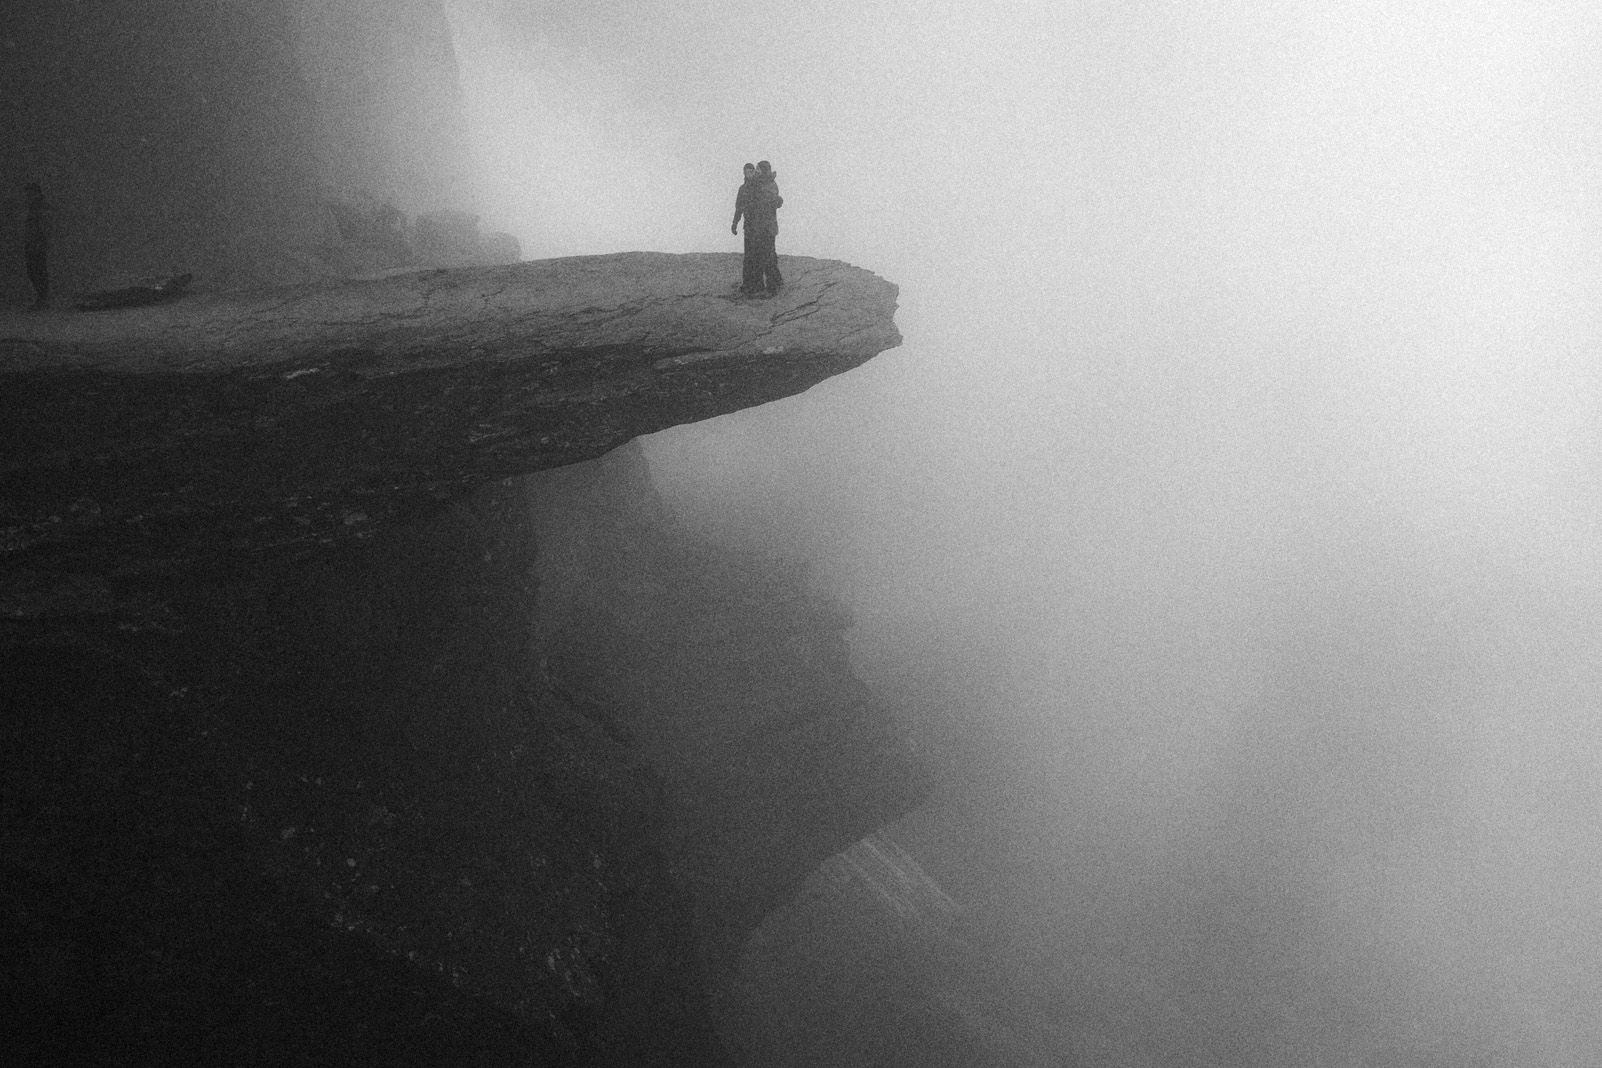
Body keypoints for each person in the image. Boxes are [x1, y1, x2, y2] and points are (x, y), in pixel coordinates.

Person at [748, 161, 784, 296]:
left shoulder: (764, 186)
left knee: (765, 257)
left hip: (764, 228)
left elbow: (765, 204)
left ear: (763, 171)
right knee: (770, 255)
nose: (756, 171)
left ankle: (771, 287)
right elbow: (775, 202)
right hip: (767, 227)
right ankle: (776, 282)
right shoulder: (768, 184)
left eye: (758, 169)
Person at [730, 162, 761, 293]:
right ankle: (747, 283)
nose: (748, 174)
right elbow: (739, 208)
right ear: (744, 173)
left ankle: (757, 285)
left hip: (759, 226)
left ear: (754, 172)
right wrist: (735, 223)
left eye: (751, 171)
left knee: (757, 256)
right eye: (746, 172)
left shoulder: (760, 187)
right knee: (748, 256)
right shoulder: (742, 189)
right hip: (748, 226)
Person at [23, 183, 52, 310]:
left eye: (30, 192)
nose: (28, 195)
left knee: (38, 271)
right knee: (33, 270)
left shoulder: (40, 207)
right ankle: (41, 298)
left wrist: (44, 241)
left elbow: (44, 226)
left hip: (37, 244)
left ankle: (42, 299)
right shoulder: (33, 207)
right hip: (32, 243)